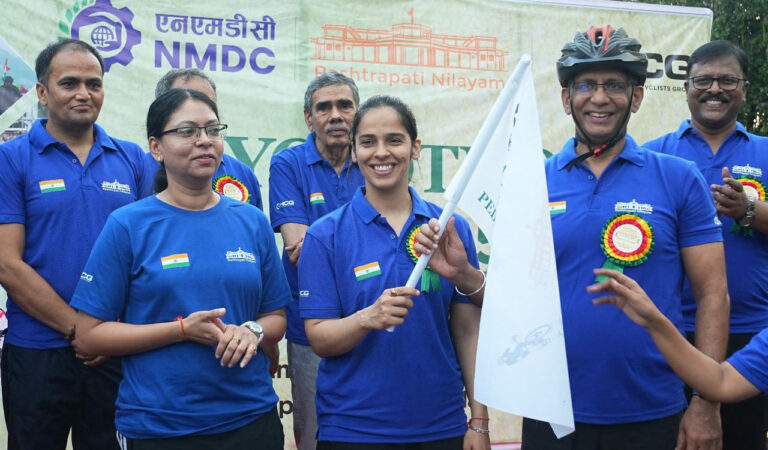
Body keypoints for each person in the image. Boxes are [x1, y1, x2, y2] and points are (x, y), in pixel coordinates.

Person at [522, 26, 729, 449]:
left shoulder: (678, 179)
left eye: (615, 84)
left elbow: (713, 295)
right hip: (551, 410)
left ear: (636, 97)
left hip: (654, 410)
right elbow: (512, 296)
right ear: (566, 98)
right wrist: (468, 275)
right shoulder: (531, 182)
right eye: (586, 84)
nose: (600, 97)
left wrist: (707, 403)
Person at [69, 88, 291, 449]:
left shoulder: (251, 221)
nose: (205, 141)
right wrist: (182, 330)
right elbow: (90, 335)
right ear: (156, 148)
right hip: (159, 426)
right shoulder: (128, 225)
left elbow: (275, 316)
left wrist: (251, 330)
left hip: (250, 418)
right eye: (187, 131)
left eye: (213, 130)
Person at [298, 94, 490, 449]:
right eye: (368, 142)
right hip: (353, 431)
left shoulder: (449, 228)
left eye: (395, 140)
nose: (381, 153)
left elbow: (467, 330)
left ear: (415, 148)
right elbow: (320, 339)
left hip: (441, 427)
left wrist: (479, 422)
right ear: (354, 151)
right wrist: (367, 318)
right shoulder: (325, 235)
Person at [0, 39, 152, 449]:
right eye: (69, 83)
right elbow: (6, 264)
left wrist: (106, 335)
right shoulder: (11, 159)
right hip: (37, 353)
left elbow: (147, 256)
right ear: (42, 92)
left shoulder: (133, 159)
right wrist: (79, 330)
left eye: (94, 83)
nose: (84, 93)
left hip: (116, 353)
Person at [643, 40, 768, 450]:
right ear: (687, 87)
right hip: (668, 333)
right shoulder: (653, 156)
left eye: (727, 80)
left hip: (752, 336)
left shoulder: (765, 151)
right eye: (703, 80)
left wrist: (751, 210)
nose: (715, 89)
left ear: (745, 88)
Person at [268, 72, 364, 450]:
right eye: (324, 107)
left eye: (345, 105)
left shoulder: (375, 160)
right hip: (311, 322)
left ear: (358, 113)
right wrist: (362, 251)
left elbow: (313, 247)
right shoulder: (288, 164)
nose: (335, 115)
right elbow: (297, 247)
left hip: (372, 316)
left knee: (372, 428)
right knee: (314, 433)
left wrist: (320, 244)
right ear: (309, 118)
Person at [153, 68, 262, 209]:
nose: (199, 108)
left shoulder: (242, 173)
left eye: (207, 102)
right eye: (185, 101)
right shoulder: (141, 169)